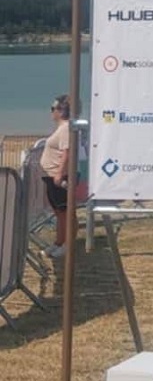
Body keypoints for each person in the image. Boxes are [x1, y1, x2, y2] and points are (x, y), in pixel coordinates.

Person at [39, 94, 71, 258]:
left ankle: (66, 245)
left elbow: (67, 152)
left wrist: (59, 173)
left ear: (61, 110)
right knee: (59, 212)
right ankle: (58, 242)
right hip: (51, 176)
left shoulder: (65, 128)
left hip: (58, 177)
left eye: (53, 108)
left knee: (64, 212)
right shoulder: (62, 128)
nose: (51, 112)